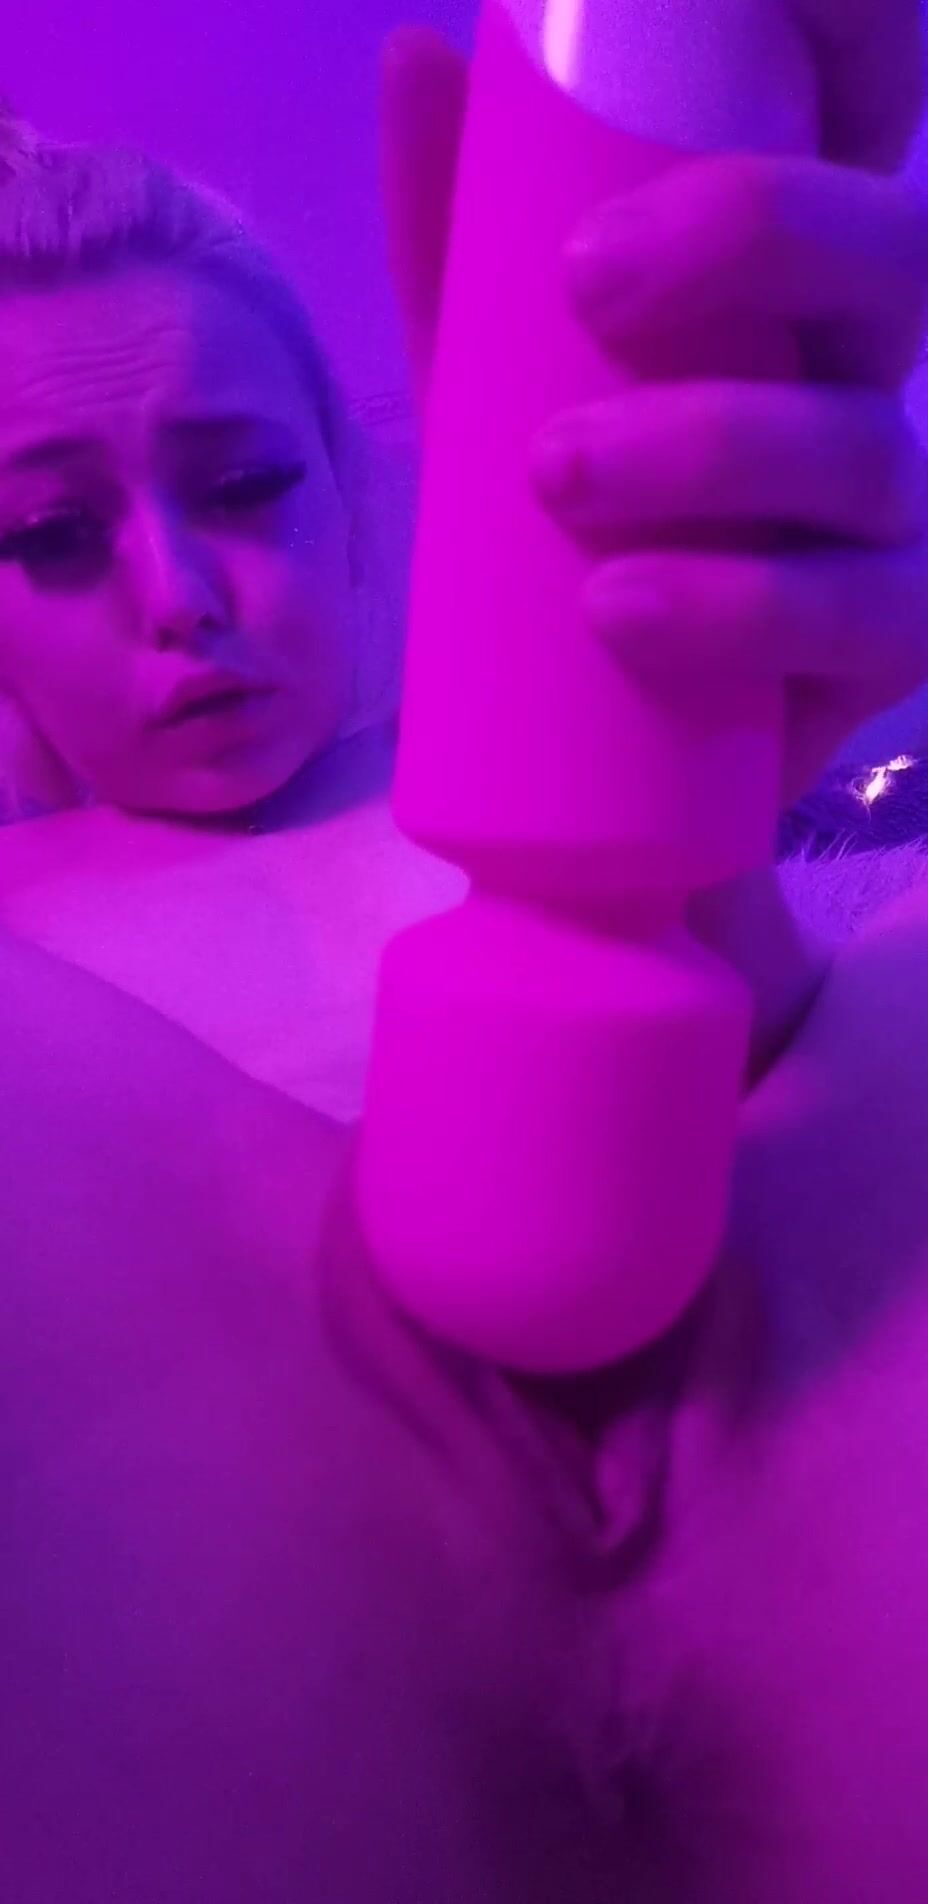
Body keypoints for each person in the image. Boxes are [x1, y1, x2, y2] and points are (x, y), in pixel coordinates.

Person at [4, 4, 928, 1898]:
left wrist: (700, 814)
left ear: (354, 493)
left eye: (244, 486)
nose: (182, 600)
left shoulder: (558, 782)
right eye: (47, 535)